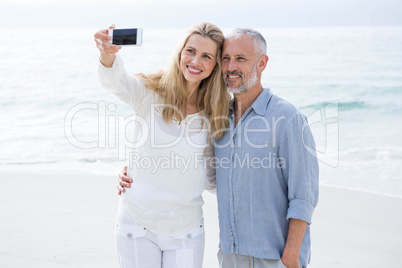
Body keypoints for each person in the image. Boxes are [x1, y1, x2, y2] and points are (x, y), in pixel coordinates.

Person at [118, 28, 319, 268]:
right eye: (225, 59)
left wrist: (291, 258)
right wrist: (139, 171)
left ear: (262, 63)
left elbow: (303, 197)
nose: (231, 67)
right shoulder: (219, 118)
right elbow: (208, 174)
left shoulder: (287, 118)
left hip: (273, 257)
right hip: (230, 256)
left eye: (241, 59)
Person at [94, 22, 230, 268]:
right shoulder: (149, 91)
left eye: (206, 56)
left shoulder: (216, 111)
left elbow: (211, 177)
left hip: (186, 230)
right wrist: (107, 54)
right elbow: (115, 82)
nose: (195, 61)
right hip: (136, 223)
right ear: (180, 52)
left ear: (215, 65)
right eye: (190, 51)